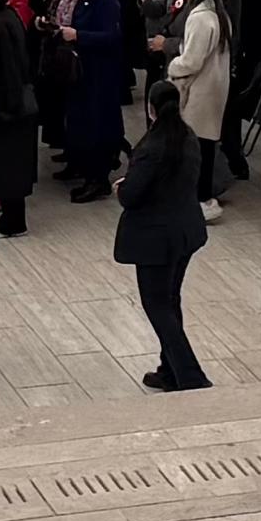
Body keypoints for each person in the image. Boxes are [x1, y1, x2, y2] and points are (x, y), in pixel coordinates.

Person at [114, 89, 210, 391]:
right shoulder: (189, 138)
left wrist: (123, 186)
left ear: (151, 109)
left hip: (155, 237)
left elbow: (131, 195)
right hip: (185, 230)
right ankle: (169, 370)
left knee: (157, 305)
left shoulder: (152, 147)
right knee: (171, 299)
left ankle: (189, 374)